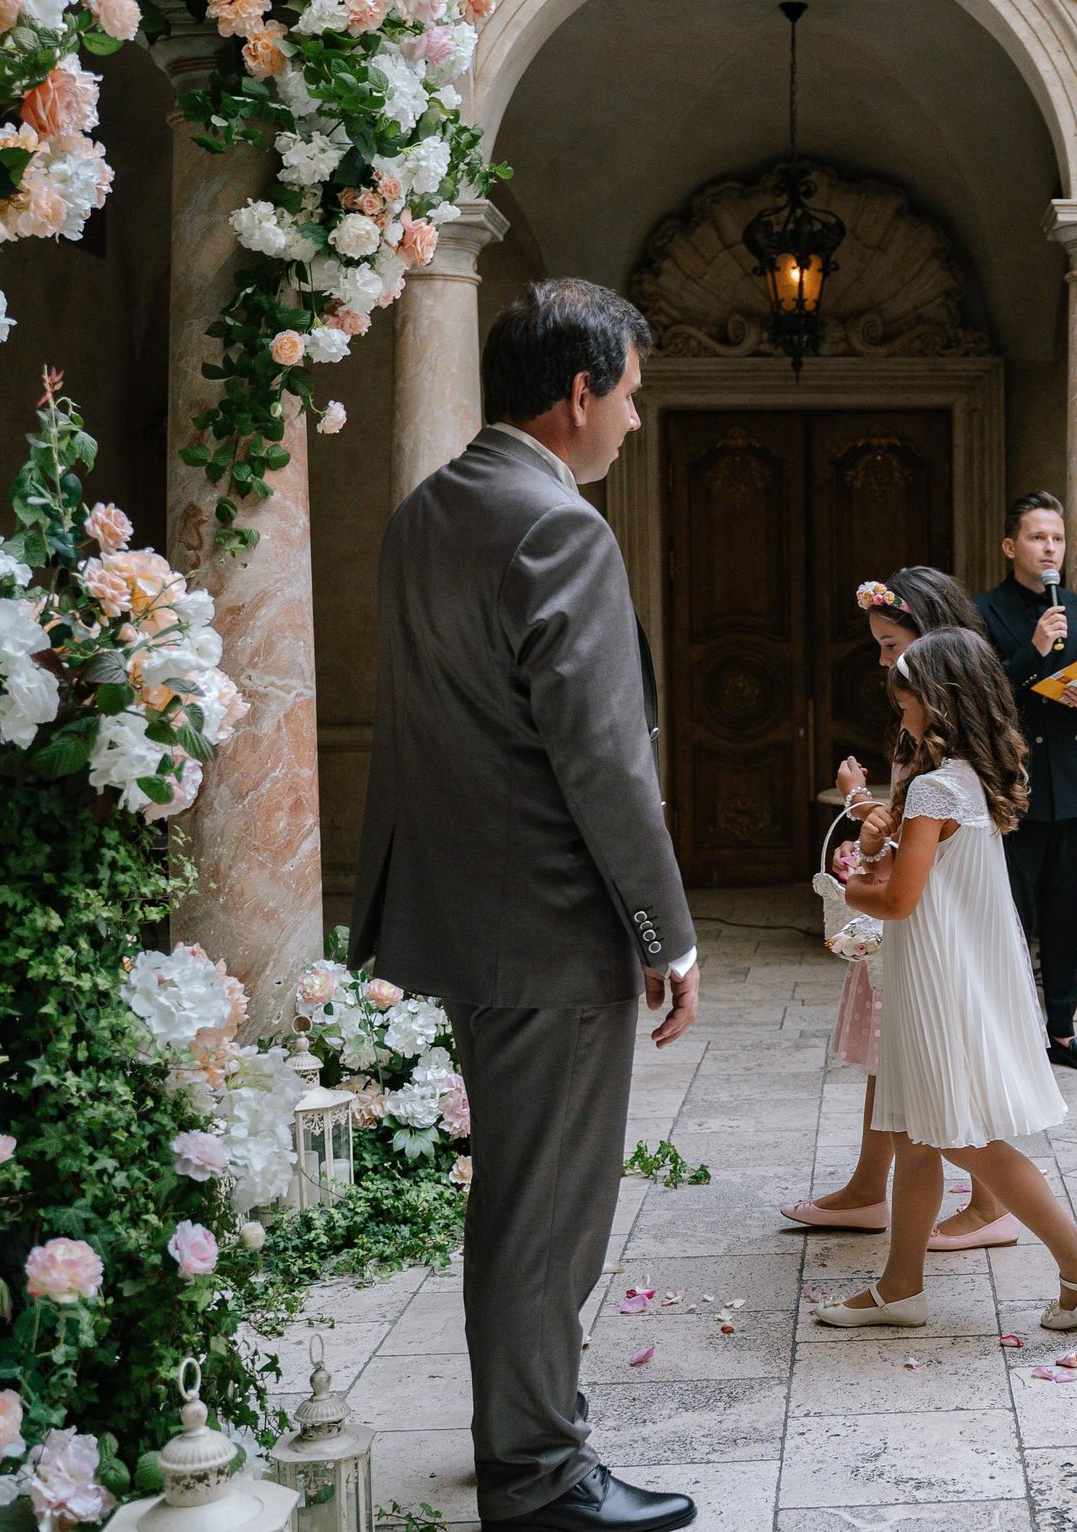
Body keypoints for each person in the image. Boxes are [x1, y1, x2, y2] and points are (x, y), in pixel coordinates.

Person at [353, 279, 698, 1532]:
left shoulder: (423, 513)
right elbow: (603, 762)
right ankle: (541, 1475)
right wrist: (668, 932)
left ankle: (519, 1433)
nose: (636, 425)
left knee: (513, 1197)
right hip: (552, 926)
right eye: (633, 399)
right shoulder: (558, 529)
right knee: (548, 1214)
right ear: (578, 393)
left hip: (463, 914)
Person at [819, 628, 1077, 1333]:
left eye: (905, 698)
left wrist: (846, 883)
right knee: (917, 1138)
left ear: (937, 700)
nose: (899, 709)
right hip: (956, 973)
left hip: (937, 983)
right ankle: (901, 1286)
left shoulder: (933, 788)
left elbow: (899, 899)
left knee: (958, 1136)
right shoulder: (967, 781)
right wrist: (875, 845)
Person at [781, 566, 1018, 1250]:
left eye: (892, 647)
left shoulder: (944, 744)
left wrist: (852, 872)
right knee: (898, 1057)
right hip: (917, 913)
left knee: (943, 1066)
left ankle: (992, 1204)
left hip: (930, 921)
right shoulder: (934, 729)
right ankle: (870, 1187)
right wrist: (869, 810)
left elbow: (922, 830)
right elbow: (908, 823)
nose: (884, 662)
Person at [974, 492, 1077, 1074]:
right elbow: (981, 699)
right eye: (1037, 538)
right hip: (1017, 789)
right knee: (1012, 920)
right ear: (1012, 547)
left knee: (1067, 921)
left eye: (1056, 538)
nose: (1049, 548)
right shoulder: (983, 612)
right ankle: (1012, 1036)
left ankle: (1062, 1034)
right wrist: (1033, 651)